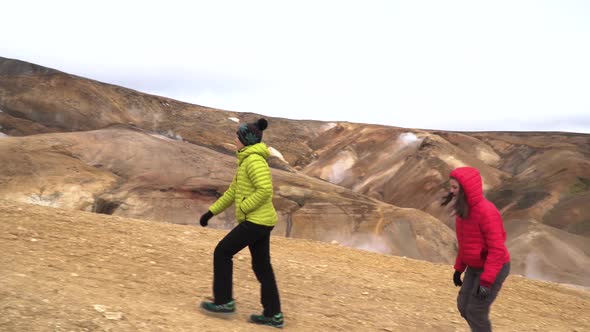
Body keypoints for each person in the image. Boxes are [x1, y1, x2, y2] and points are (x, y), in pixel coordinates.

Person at [199, 118, 283, 328]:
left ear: (246, 140)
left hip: (256, 221)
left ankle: (223, 302)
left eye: (238, 136)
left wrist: (245, 206)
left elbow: (265, 190)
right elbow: (232, 192)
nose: (234, 139)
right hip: (261, 221)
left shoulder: (254, 161)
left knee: (222, 252)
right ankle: (273, 315)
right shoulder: (246, 160)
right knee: (262, 266)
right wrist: (211, 212)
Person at [441, 166, 511, 332]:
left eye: (455, 187)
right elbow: (465, 244)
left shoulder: (487, 212)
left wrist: (486, 282)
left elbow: (497, 251)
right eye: (450, 187)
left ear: (466, 189)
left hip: (493, 268)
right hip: (474, 267)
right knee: (463, 306)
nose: (451, 191)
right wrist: (459, 269)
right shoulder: (462, 211)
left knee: (476, 311)